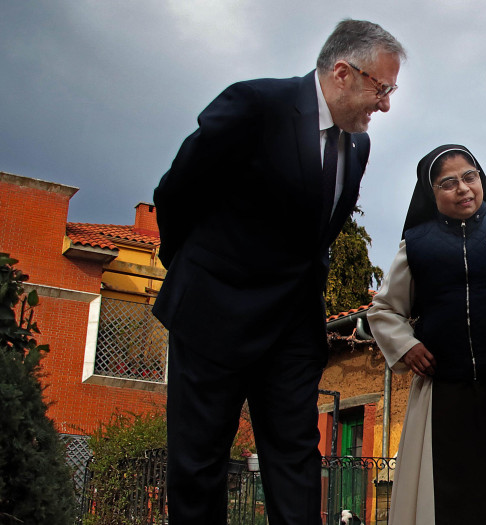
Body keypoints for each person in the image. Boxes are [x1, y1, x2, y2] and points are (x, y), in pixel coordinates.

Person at [151, 20, 404, 524]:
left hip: (290, 332)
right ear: (341, 73)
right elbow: (176, 192)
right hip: (213, 318)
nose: (386, 104)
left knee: (296, 463)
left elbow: (315, 236)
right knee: (199, 465)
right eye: (382, 87)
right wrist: (200, 279)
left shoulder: (358, 147)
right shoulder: (255, 106)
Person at [368, 145, 486, 525]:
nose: (463, 189)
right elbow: (383, 309)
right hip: (444, 389)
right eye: (448, 183)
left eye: (469, 177)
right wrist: (406, 345)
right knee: (451, 497)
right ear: (431, 193)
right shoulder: (416, 244)